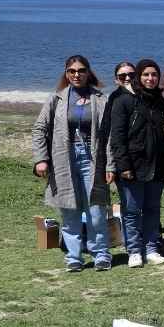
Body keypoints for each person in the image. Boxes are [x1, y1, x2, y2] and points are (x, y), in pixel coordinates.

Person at [33, 56, 113, 272]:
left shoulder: (100, 98)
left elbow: (110, 135)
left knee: (96, 210)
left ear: (88, 72)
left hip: (93, 160)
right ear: (66, 73)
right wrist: (41, 159)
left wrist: (110, 165)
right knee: (70, 210)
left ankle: (101, 254)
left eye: (81, 70)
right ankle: (74, 257)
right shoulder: (56, 99)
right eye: (72, 71)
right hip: (63, 159)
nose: (77, 75)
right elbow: (39, 129)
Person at [108, 58, 164, 267]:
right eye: (146, 74)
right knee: (132, 210)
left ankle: (151, 247)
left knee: (153, 208)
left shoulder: (160, 101)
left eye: (154, 75)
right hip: (133, 165)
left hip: (157, 164)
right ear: (138, 77)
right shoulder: (124, 101)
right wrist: (124, 166)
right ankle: (134, 251)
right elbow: (117, 137)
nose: (150, 78)